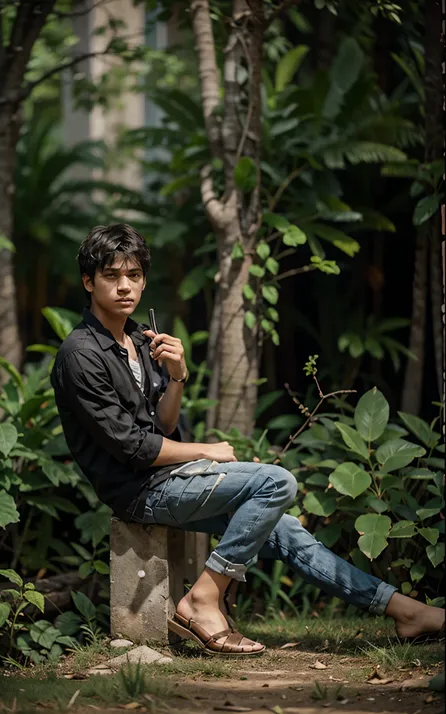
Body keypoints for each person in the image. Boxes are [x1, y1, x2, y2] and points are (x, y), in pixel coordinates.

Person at [50, 224, 445, 656]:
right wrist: (207, 450)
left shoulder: (141, 339)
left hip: (167, 477)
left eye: (135, 275)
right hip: (138, 491)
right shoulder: (81, 354)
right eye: (111, 275)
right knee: (276, 482)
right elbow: (134, 448)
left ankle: (403, 611)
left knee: (285, 528)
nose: (125, 286)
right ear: (89, 281)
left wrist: (178, 374)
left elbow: (161, 427)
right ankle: (202, 598)